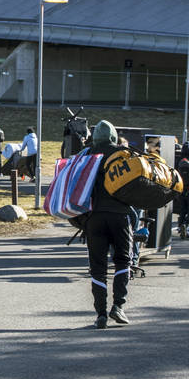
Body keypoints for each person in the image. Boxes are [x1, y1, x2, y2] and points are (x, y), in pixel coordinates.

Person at [77, 121, 136, 327]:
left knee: (98, 268)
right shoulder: (122, 154)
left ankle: (100, 313)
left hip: (94, 217)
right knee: (123, 260)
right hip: (120, 214)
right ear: (113, 136)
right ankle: (118, 306)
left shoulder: (86, 155)